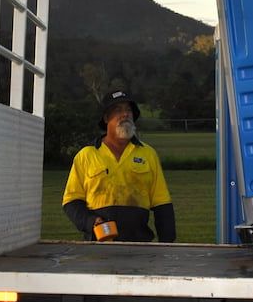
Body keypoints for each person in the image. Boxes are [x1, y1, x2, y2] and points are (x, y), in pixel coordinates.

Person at [62, 89, 176, 242]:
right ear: (106, 118)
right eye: (118, 110)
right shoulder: (86, 155)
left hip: (139, 247)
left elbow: (162, 204)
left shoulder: (148, 154)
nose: (125, 114)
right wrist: (91, 222)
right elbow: (71, 201)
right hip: (98, 249)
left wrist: (167, 246)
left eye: (128, 110)